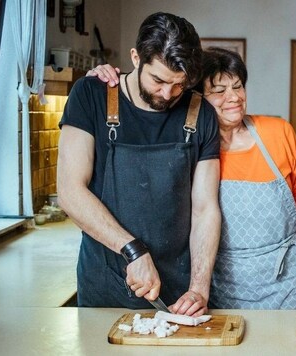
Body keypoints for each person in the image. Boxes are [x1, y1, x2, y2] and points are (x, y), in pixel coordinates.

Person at [89, 47, 296, 338]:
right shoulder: (188, 149)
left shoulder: (278, 133)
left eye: (238, 86)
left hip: (288, 288)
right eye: (219, 90)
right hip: (219, 295)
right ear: (197, 98)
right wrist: (102, 76)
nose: (233, 97)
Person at [58, 12, 221, 317]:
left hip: (177, 295)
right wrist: (132, 250)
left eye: (179, 85)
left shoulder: (201, 114)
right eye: (158, 80)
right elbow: (70, 192)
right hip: (104, 286)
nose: (167, 94)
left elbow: (205, 209)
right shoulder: (91, 95)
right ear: (136, 58)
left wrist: (198, 288)